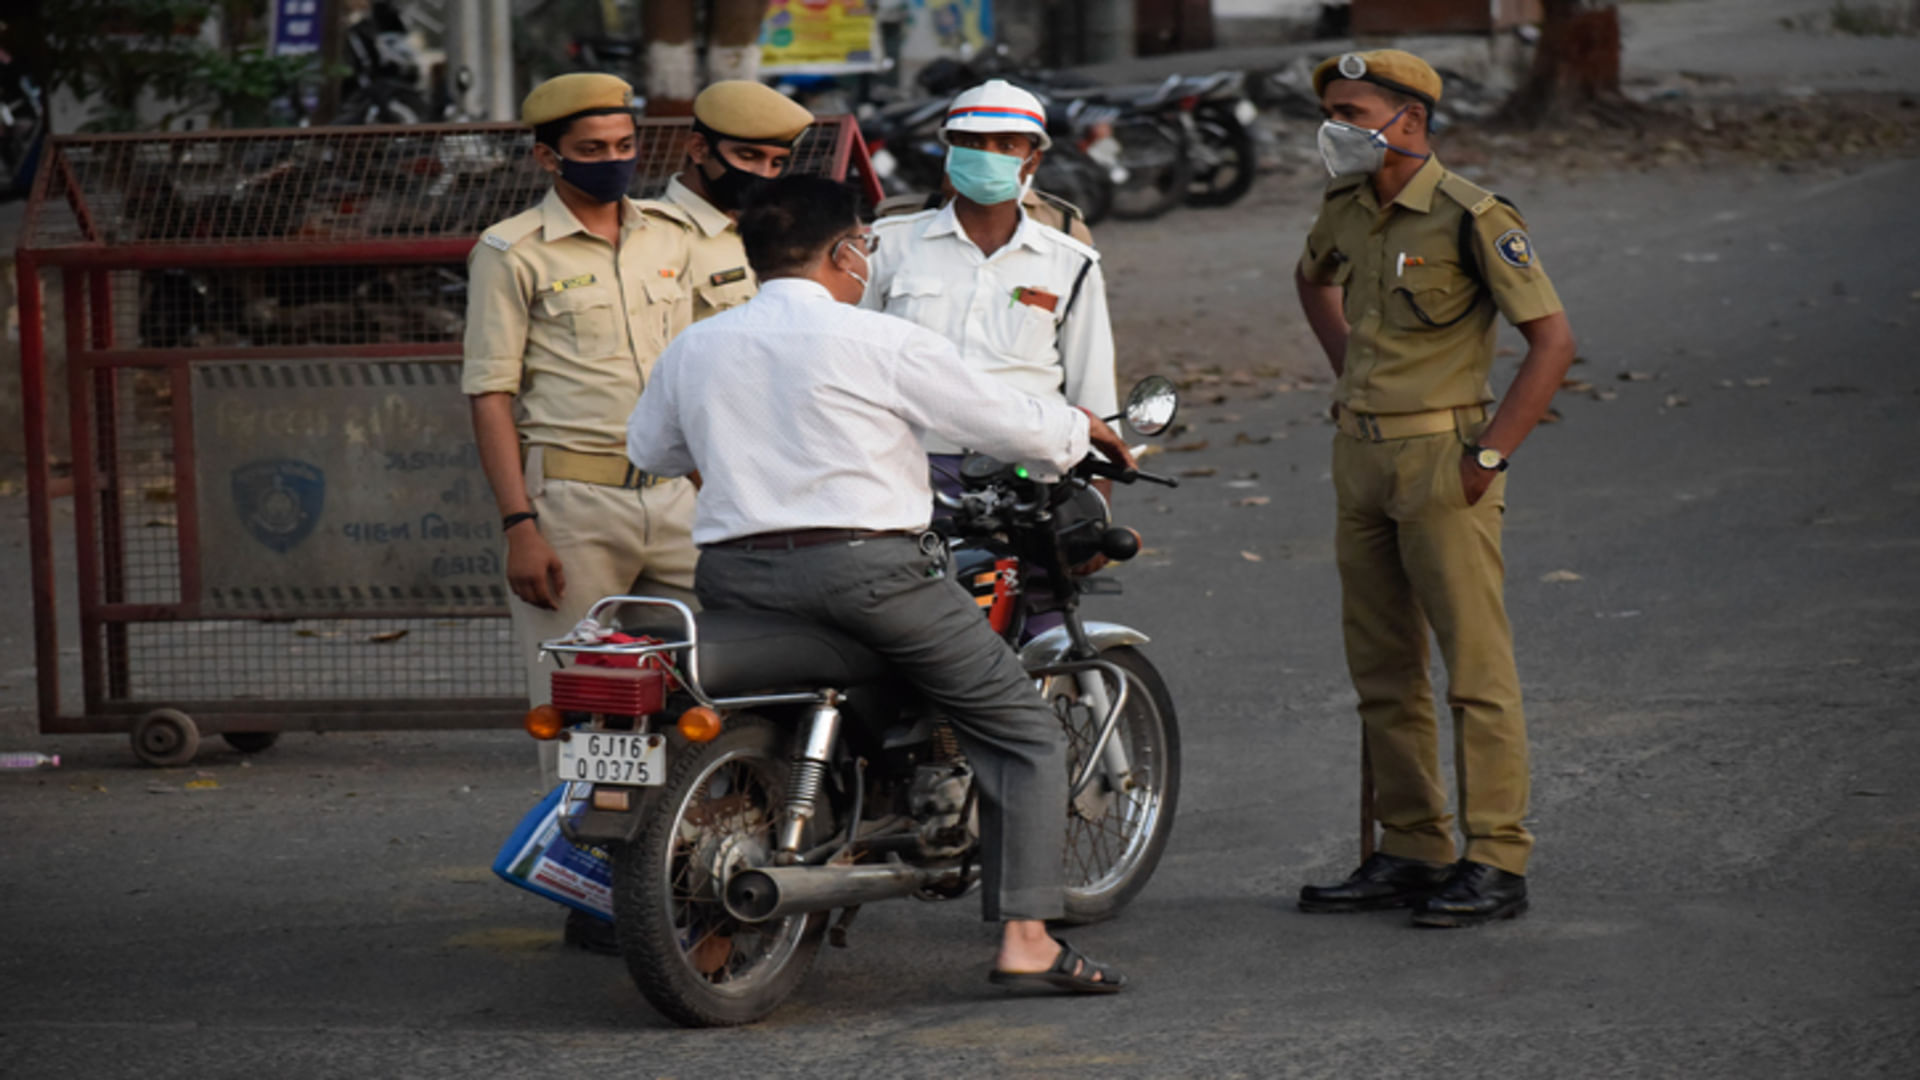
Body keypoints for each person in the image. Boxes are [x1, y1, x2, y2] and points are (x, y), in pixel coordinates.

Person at [627, 175, 1135, 994]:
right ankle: (1030, 941)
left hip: (733, 577)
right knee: (1023, 731)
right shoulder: (878, 341)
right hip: (868, 573)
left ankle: (737, 916)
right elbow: (1005, 418)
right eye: (862, 245)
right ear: (844, 252)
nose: (864, 259)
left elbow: (651, 450)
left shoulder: (698, 346)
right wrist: (1088, 435)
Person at [1291, 50, 1576, 927]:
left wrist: (1487, 457)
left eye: (1351, 110)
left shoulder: (1472, 217)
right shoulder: (1348, 207)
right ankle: (1412, 846)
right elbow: (1313, 280)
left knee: (1474, 671)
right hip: (1361, 457)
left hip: (1443, 460)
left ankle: (1497, 858)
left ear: (1408, 120)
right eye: (1332, 109)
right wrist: (1352, 376)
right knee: (1381, 667)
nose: (1334, 126)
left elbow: (1553, 341)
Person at [460, 73, 700, 949]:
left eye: (625, 147)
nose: (612, 163)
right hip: (573, 504)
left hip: (682, 496)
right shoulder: (511, 250)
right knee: (591, 710)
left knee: (717, 681)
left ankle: (689, 863)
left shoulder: (671, 236)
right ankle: (593, 891)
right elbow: (490, 395)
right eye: (591, 151)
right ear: (547, 155)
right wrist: (519, 524)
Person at [861, 79, 1119, 507]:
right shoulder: (886, 245)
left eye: (1006, 144)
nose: (987, 156)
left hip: (1034, 467)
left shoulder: (1071, 261)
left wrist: (1097, 497)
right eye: (972, 143)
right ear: (950, 152)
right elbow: (856, 362)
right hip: (911, 466)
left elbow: (1092, 386)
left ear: (1032, 158)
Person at [661, 80, 814, 322]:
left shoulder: (775, 230)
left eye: (777, 163)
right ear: (699, 148)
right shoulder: (656, 238)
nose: (764, 173)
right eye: (748, 156)